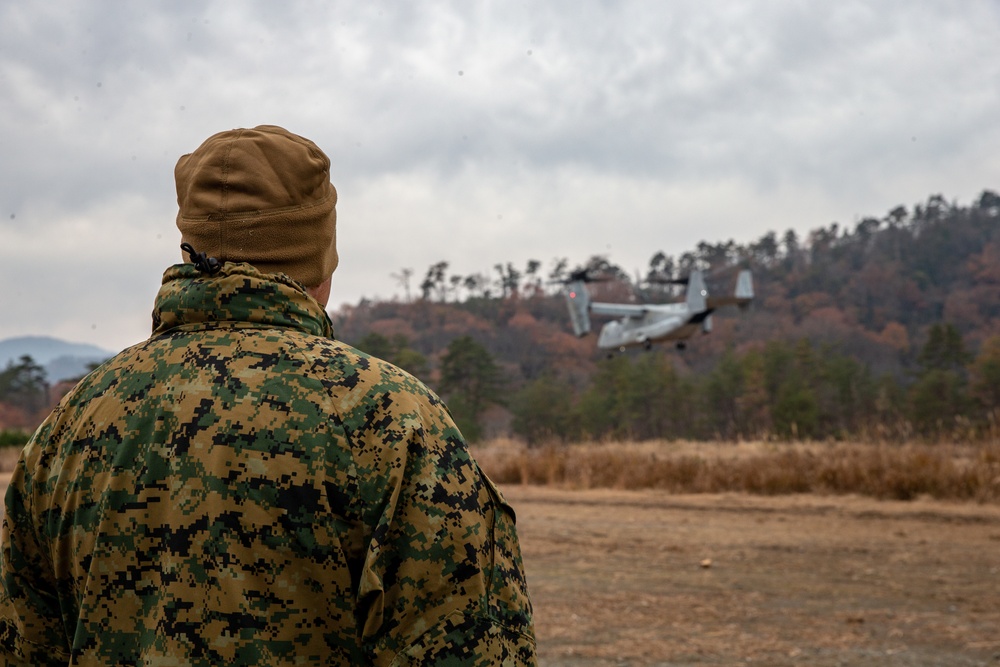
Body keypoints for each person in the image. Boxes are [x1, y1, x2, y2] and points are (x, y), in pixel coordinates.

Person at [0, 125, 536, 665]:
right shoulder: (387, 416)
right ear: (320, 256)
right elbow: (470, 647)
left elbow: (22, 645)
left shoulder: (75, 419)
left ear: (190, 243)